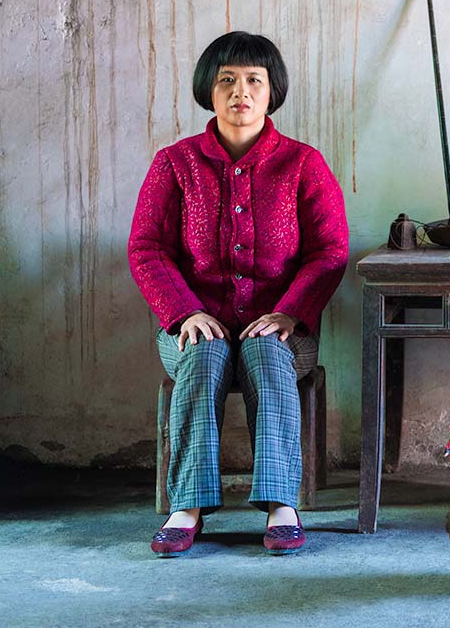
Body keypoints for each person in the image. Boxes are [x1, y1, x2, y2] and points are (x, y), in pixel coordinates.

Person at [128, 31, 349, 557]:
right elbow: (146, 248)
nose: (240, 92)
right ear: (209, 90)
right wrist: (183, 313)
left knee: (267, 354)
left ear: (272, 92)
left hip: (282, 329)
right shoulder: (174, 164)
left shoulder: (303, 164)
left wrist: (291, 313)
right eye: (227, 80)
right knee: (203, 355)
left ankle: (281, 505)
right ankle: (189, 506)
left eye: (254, 80)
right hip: (190, 325)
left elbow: (330, 250)